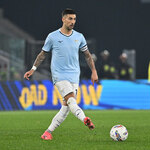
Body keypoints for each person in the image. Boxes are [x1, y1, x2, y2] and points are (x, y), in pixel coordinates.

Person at [24, 8, 98, 140]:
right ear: (63, 19)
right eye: (70, 18)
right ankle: (84, 119)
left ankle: (47, 132)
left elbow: (87, 55)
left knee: (66, 109)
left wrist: (94, 71)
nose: (72, 22)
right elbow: (42, 55)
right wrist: (33, 69)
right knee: (71, 99)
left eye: (74, 19)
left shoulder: (79, 37)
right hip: (59, 75)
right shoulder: (52, 36)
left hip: (74, 75)